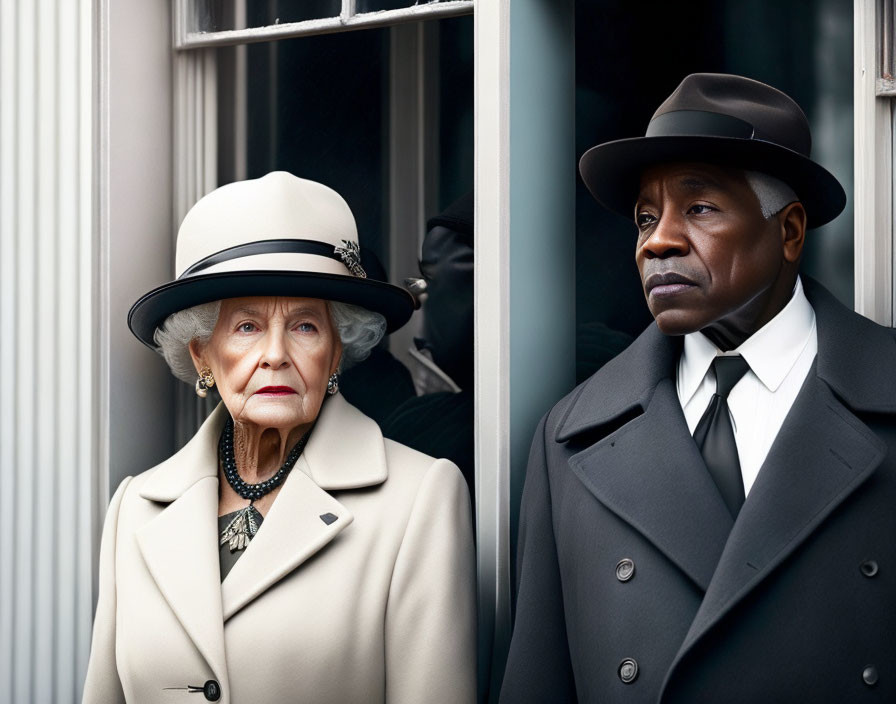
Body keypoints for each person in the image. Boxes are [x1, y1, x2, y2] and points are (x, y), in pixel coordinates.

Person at [501, 73, 896, 703]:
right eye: (646, 217)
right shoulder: (571, 436)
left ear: (789, 232)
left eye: (701, 207)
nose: (657, 241)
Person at [83, 172, 476, 704]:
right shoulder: (135, 508)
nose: (275, 354)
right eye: (246, 327)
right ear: (202, 353)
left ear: (337, 351)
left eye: (305, 327)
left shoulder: (419, 498)